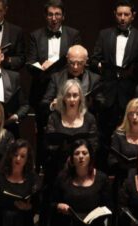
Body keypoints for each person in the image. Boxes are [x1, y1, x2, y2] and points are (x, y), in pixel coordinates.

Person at [90, 0, 138, 151]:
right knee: (104, 134)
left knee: (129, 134)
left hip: (130, 92)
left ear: (133, 16)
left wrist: (131, 71)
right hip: (107, 93)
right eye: (119, 14)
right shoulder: (104, 34)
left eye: (126, 14)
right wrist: (103, 68)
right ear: (115, 15)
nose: (123, 18)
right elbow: (94, 60)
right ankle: (104, 171)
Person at [27, 0, 81, 165]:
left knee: (68, 130)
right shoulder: (35, 36)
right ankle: (41, 169)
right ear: (45, 16)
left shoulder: (73, 35)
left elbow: (77, 60)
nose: (53, 18)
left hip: (67, 90)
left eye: (57, 14)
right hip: (42, 91)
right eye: (50, 14)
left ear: (63, 16)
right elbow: (30, 61)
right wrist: (40, 66)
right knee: (43, 132)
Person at [41, 79, 98, 226]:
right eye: (68, 95)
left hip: (83, 170)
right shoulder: (54, 117)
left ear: (81, 98)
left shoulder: (89, 118)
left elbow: (94, 146)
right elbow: (48, 145)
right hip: (58, 168)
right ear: (63, 98)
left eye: (75, 95)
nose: (72, 99)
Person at [51, 139, 112, 226]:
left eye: (84, 153)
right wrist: (58, 206)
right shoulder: (63, 178)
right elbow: (51, 204)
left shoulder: (102, 178)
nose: (80, 156)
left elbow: (108, 207)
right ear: (72, 158)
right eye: (76, 153)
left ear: (90, 156)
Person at [0, 139, 41, 226]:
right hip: (0, 220)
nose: (18, 158)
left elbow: (37, 204)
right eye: (16, 155)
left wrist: (28, 207)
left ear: (27, 159)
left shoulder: (33, 178)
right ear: (10, 155)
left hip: (23, 221)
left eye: (22, 156)